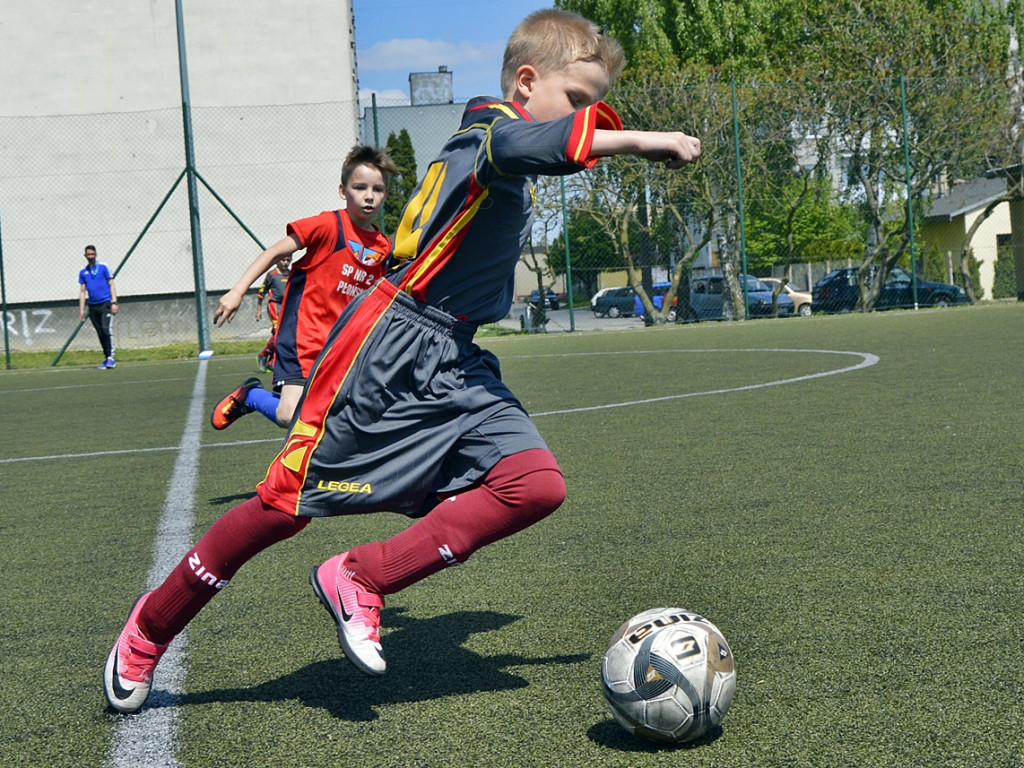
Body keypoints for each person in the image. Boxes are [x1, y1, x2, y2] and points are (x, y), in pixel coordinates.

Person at [103, 7, 701, 714]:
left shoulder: (509, 136)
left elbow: (544, 140)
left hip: (455, 354)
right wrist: (643, 141)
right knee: (282, 507)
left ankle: (362, 575)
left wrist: (601, 119)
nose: (586, 118)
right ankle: (149, 627)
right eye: (577, 102)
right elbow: (521, 143)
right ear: (528, 80)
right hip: (389, 345)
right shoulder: (488, 128)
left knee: (533, 484)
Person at [209, 145, 398, 429]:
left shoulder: (384, 247)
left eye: (378, 189)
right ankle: (252, 396)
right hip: (304, 337)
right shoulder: (328, 226)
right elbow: (273, 252)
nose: (369, 196)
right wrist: (238, 290)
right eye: (360, 187)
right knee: (289, 415)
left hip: (342, 345)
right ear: (342, 190)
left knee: (343, 415)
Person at [78, 244, 119, 369]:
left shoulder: (104, 267)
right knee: (100, 332)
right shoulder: (83, 272)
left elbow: (111, 284)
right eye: (88, 254)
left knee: (106, 330)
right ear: (85, 256)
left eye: (92, 254)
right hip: (93, 306)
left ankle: (111, 357)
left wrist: (114, 302)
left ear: (96, 254)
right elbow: (82, 291)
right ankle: (106, 357)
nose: (90, 256)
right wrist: (82, 310)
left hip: (105, 303)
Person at [255, 254, 291, 372]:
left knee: (283, 334)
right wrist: (258, 309)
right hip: (275, 305)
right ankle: (263, 355)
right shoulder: (272, 275)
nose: (285, 263)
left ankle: (272, 362)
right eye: (283, 260)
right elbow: (262, 291)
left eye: (288, 260)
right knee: (278, 333)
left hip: (287, 306)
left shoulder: (291, 274)